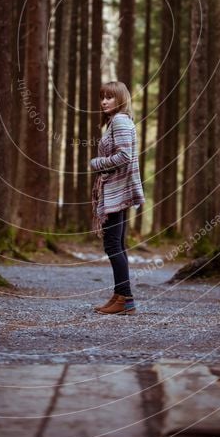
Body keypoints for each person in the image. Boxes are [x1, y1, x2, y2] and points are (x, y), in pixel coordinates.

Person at [90, 80, 145, 315]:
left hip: (117, 190)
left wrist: (97, 163)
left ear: (120, 99)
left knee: (112, 243)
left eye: (110, 97)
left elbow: (124, 155)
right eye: (102, 96)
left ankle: (125, 299)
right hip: (117, 189)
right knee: (118, 243)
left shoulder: (120, 121)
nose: (104, 101)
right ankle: (121, 296)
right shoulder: (118, 121)